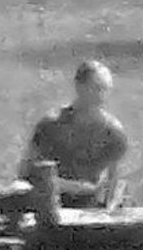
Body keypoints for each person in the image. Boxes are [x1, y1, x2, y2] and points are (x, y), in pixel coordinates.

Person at [18, 60, 129, 208]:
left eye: (105, 89)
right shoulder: (51, 125)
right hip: (50, 204)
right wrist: (74, 187)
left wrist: (109, 208)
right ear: (79, 87)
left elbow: (116, 181)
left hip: (92, 208)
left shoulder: (113, 132)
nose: (101, 96)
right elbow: (27, 172)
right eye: (95, 89)